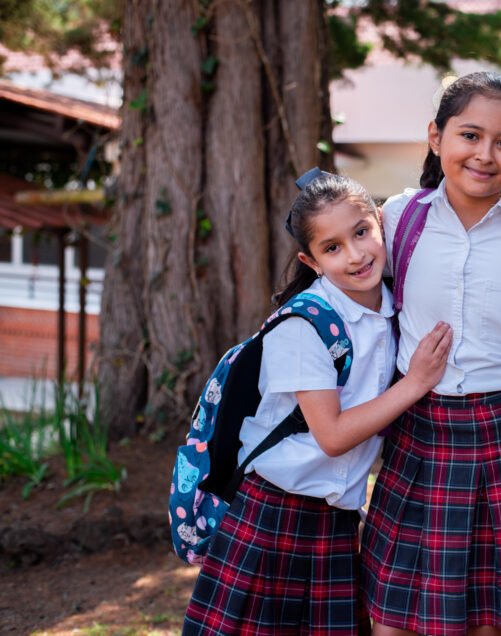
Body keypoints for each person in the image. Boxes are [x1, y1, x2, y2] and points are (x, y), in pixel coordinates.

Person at [183, 171, 452, 635]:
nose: (356, 255)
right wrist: (415, 383)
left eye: (362, 232)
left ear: (380, 224)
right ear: (311, 260)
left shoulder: (393, 306)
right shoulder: (303, 326)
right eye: (332, 248)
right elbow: (330, 436)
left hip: (336, 520)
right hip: (274, 515)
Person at [361, 72, 501, 636]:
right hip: (420, 435)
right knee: (392, 620)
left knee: (489, 621)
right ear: (436, 138)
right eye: (469, 136)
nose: (485, 155)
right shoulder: (398, 219)